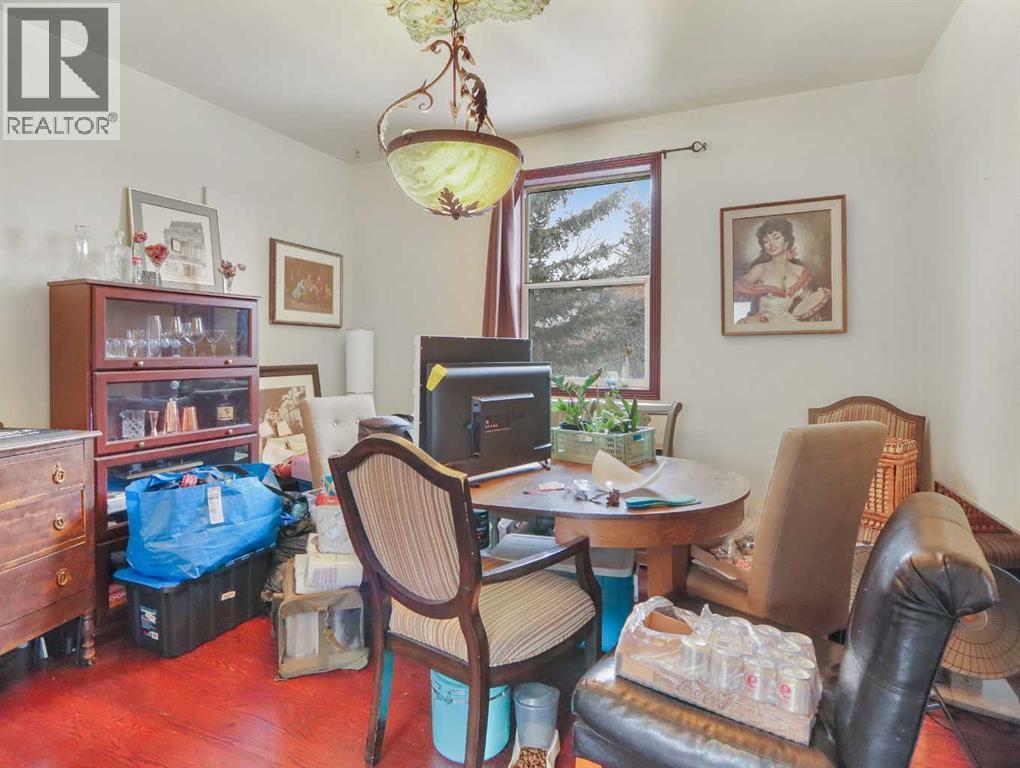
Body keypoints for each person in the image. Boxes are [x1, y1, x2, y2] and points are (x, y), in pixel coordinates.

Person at [734, 217, 830, 324]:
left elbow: (809, 301)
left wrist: (815, 307)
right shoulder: (759, 269)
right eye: (766, 241)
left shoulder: (799, 271)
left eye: (776, 238)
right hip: (764, 325)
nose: (771, 244)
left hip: (789, 323)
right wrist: (753, 316)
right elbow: (733, 294)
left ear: (787, 242)